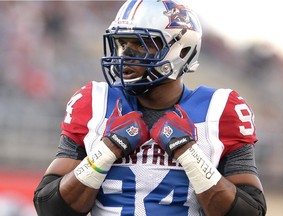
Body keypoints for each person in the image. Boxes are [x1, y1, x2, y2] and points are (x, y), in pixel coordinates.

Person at [33, 0, 267, 215]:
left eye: (142, 44)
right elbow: (49, 207)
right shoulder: (94, 102)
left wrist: (189, 154)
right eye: (122, 43)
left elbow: (251, 211)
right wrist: (106, 152)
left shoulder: (220, 110)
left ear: (181, 51)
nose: (126, 55)